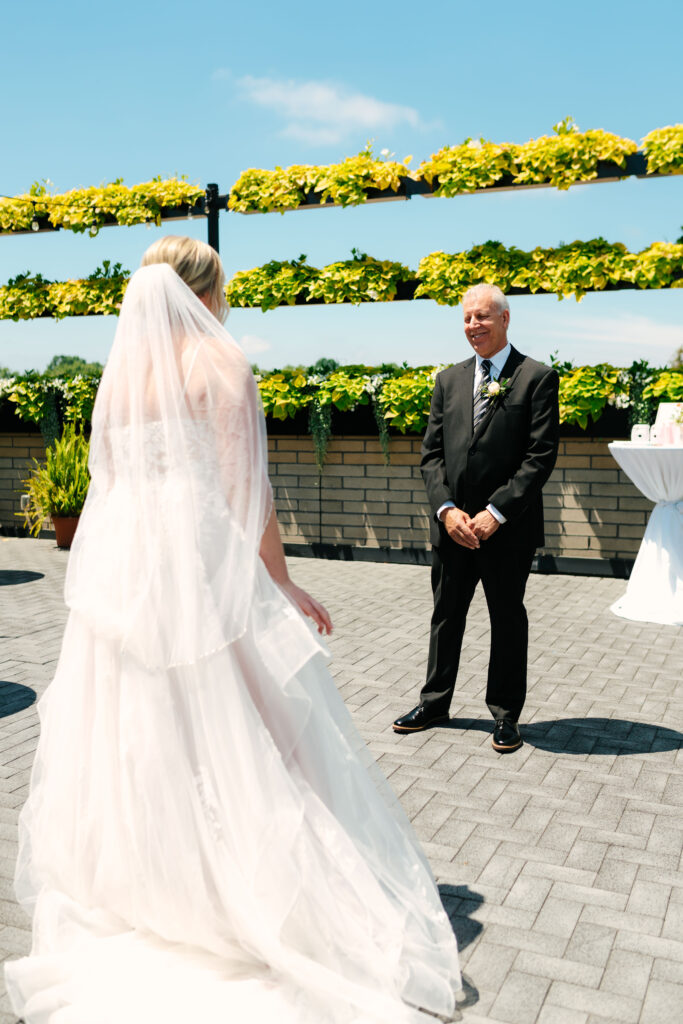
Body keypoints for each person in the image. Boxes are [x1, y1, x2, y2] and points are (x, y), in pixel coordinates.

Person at [5, 237, 460, 1024]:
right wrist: (278, 581)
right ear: (205, 293)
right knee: (255, 730)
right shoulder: (221, 363)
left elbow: (113, 488)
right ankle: (248, 896)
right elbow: (248, 493)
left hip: (131, 573)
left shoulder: (126, 375)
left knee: (148, 731)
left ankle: (159, 886)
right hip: (200, 565)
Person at [393, 284, 559, 753]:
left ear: (505, 319)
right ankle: (434, 702)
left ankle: (505, 716)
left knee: (507, 618)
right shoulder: (447, 379)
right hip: (453, 527)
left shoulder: (537, 378)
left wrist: (494, 514)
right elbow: (431, 458)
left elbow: (539, 457)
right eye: (467, 318)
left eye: (482, 317)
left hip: (506, 529)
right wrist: (446, 511)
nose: (473, 326)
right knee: (446, 615)